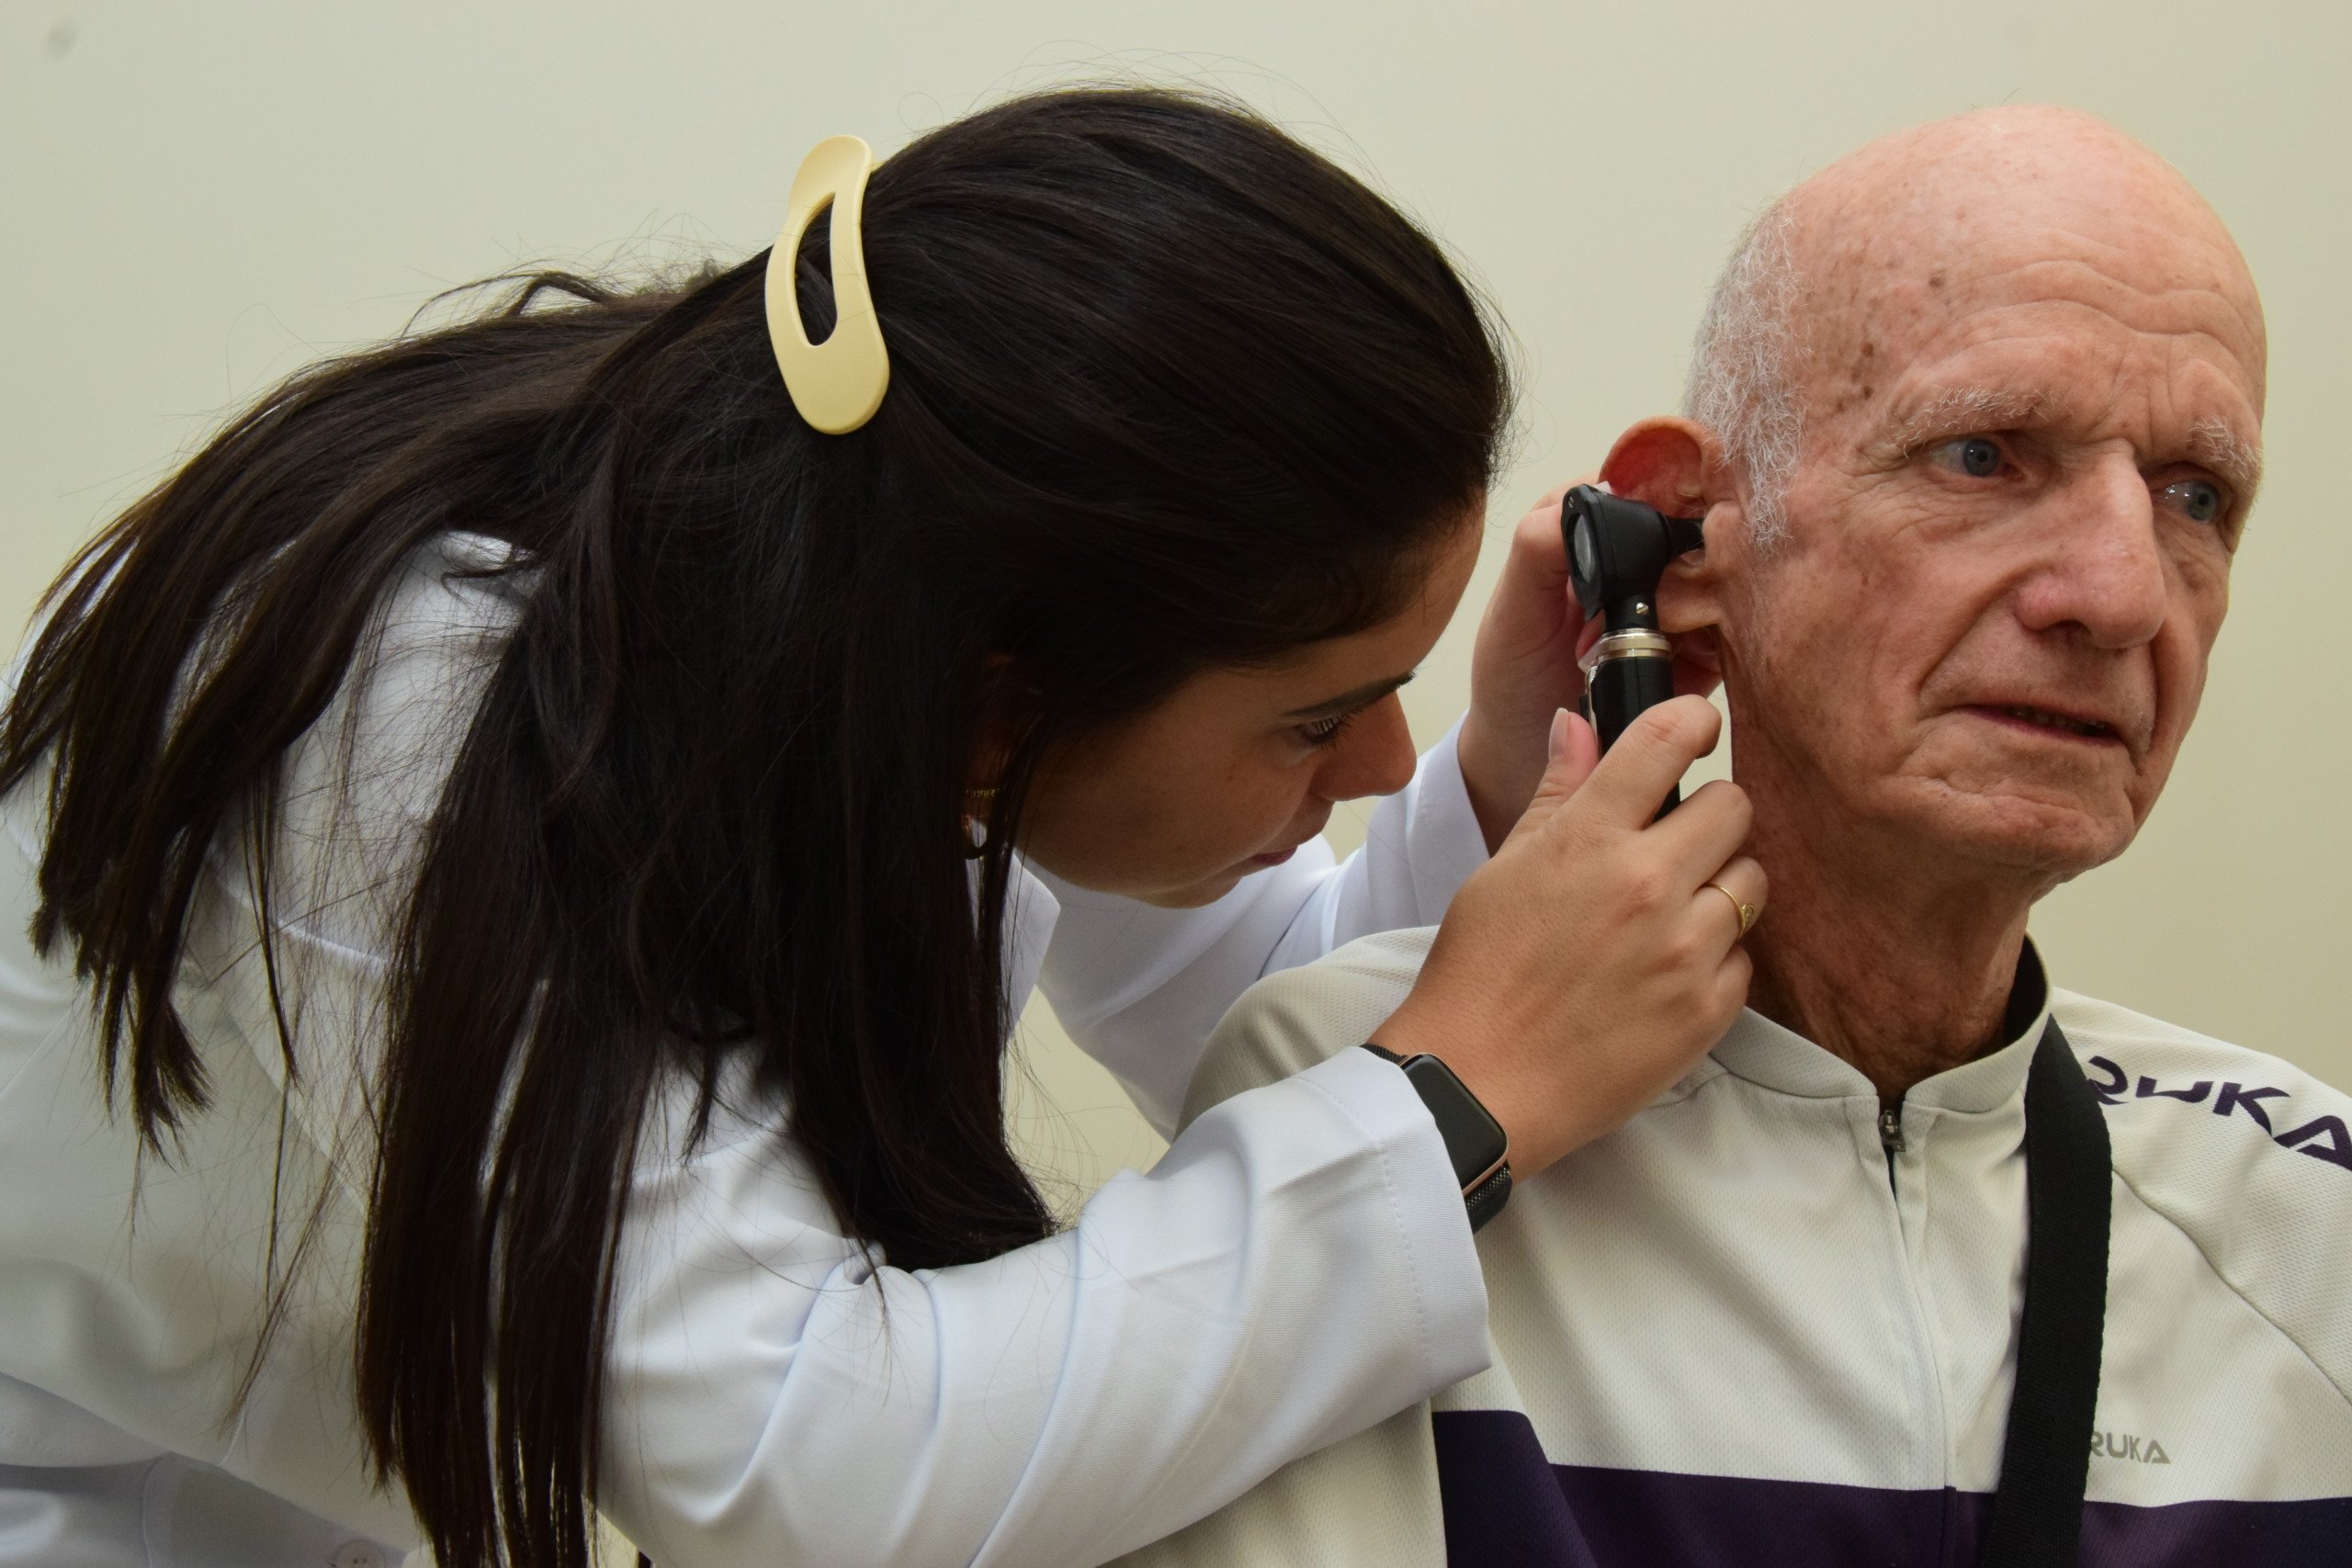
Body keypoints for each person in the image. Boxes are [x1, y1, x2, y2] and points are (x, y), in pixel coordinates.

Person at [0, 89, 1763, 1568]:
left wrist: (1504, 770)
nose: (1380, 760)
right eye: (1320, 714)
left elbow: (1245, 1004)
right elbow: (801, 1466)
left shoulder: (892, 578)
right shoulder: (412, 725)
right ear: (1003, 691)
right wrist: (1459, 1105)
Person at [1113, 106, 2352, 1567]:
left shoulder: (2306, 1210)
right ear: (1686, 544)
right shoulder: (1357, 1114)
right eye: (1984, 456)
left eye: (2195, 496)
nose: (2123, 592)